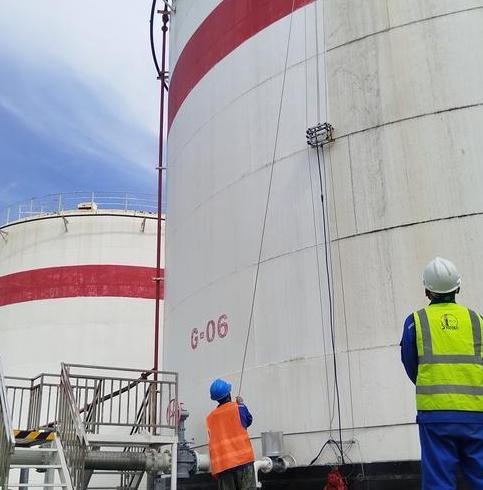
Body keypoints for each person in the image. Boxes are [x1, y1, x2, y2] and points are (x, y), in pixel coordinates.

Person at [401, 256, 483, 489]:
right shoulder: (477, 320)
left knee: (438, 482)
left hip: (435, 414)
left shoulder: (415, 322)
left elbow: (411, 365)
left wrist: (432, 384)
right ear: (458, 287)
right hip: (476, 414)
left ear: (427, 291)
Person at [206, 378, 256, 490]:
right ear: (228, 393)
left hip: (223, 466)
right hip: (243, 462)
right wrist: (241, 404)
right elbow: (248, 420)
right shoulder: (238, 408)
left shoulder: (210, 418)